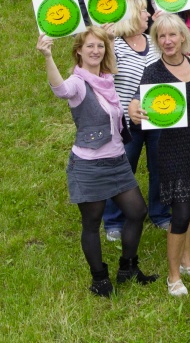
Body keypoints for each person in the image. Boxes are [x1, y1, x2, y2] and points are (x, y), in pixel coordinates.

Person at [38, 28, 157, 297]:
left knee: (137, 212)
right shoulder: (78, 83)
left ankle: (128, 268)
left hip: (116, 160)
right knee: (91, 224)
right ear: (79, 50)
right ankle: (100, 280)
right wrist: (47, 55)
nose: (96, 51)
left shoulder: (106, 78)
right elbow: (60, 89)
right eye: (90, 46)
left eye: (100, 47)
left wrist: (110, 35)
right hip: (89, 165)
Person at [128, 14, 190, 296]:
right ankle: (173, 276)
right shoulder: (153, 72)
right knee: (180, 212)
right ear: (156, 41)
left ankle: (187, 262)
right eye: (161, 37)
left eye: (172, 35)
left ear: (183, 37)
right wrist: (134, 110)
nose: (167, 41)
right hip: (172, 149)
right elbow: (139, 103)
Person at [102, 0, 172, 238]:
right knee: (122, 170)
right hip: (126, 122)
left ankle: (160, 214)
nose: (147, 14)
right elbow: (107, 73)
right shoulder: (117, 44)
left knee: (160, 168)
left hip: (158, 116)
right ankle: (113, 222)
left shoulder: (153, 43)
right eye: (143, 11)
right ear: (132, 15)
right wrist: (108, 43)